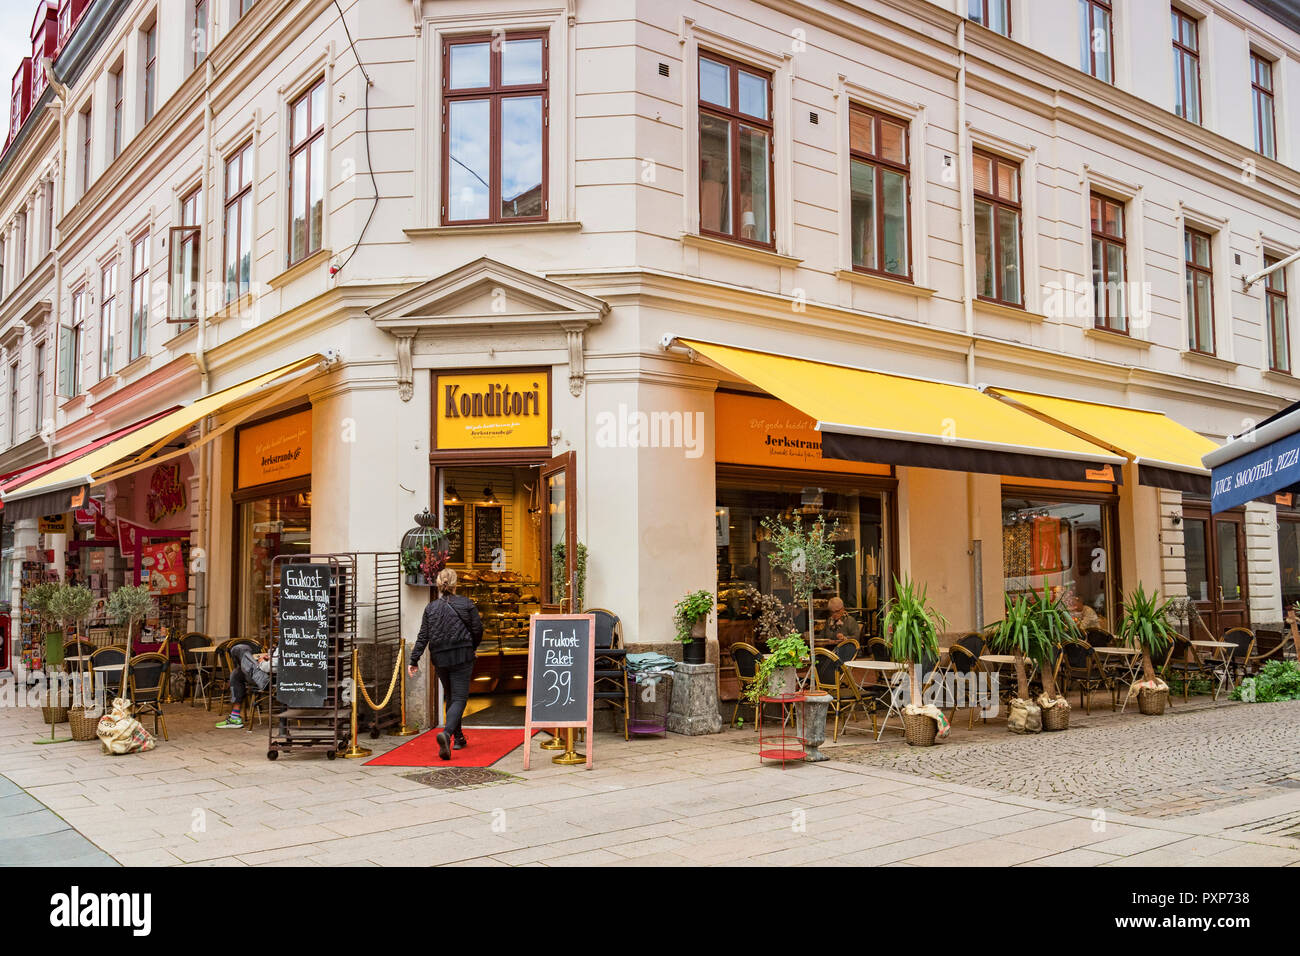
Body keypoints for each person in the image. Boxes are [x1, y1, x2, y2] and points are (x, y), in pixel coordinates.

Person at [408, 567, 483, 760]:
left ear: (439, 584)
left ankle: (458, 738)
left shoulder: (430, 607)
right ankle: (448, 734)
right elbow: (478, 629)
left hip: (440, 657)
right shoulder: (466, 603)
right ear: (456, 583)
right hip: (462, 655)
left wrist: (414, 659)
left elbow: (423, 635)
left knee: (450, 696)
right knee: (459, 698)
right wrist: (471, 646)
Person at [216, 644, 275, 729]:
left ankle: (234, 718)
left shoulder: (290, 645)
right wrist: (268, 657)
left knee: (240, 649)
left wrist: (262, 662)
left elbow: (274, 665)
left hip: (273, 679)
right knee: (237, 673)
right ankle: (234, 717)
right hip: (266, 675)